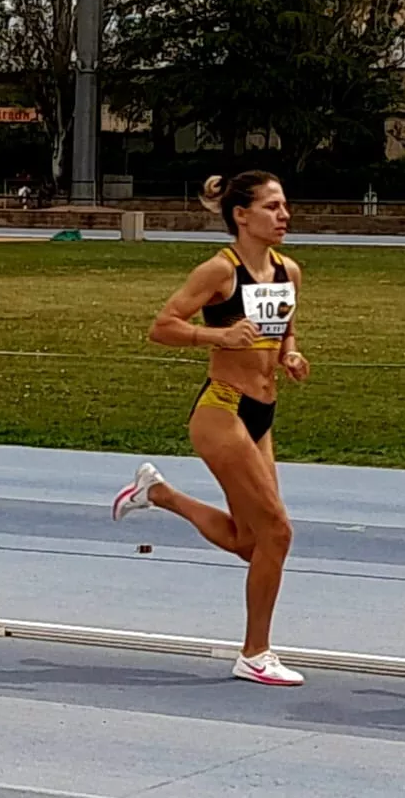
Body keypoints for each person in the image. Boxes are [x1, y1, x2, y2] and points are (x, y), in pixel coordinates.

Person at [111, 170, 310, 686]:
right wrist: (217, 337)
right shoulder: (219, 272)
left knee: (254, 542)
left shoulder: (289, 271)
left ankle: (160, 494)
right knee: (278, 533)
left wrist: (290, 354)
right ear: (241, 215)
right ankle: (254, 653)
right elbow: (162, 327)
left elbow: (283, 328)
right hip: (221, 410)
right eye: (271, 207)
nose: (284, 215)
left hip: (262, 413)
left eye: (285, 206)